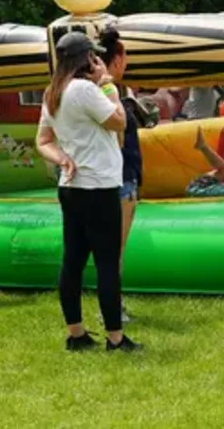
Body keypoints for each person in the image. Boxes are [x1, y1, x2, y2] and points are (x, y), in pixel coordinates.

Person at [35, 32, 141, 351]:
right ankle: (115, 337)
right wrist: (108, 85)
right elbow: (119, 122)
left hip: (71, 187)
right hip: (99, 186)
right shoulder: (85, 90)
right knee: (107, 263)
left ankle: (76, 333)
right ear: (87, 58)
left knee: (73, 261)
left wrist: (62, 159)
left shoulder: (53, 92)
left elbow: (43, 141)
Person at [98, 28, 143, 324]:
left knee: (109, 249)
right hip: (120, 178)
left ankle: (112, 305)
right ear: (117, 59)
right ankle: (113, 308)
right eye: (125, 58)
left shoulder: (98, 91)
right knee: (115, 249)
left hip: (112, 177)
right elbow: (118, 136)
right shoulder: (109, 92)